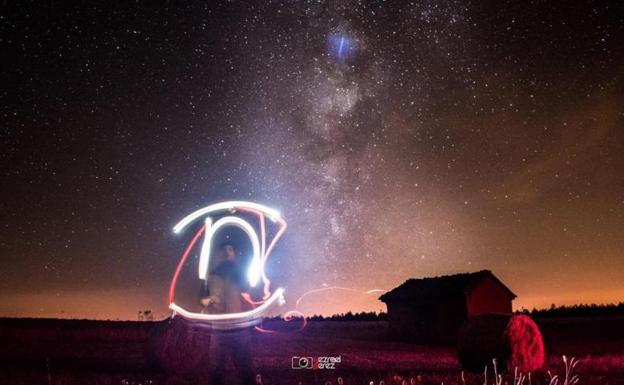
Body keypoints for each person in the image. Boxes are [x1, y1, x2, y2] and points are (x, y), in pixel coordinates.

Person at [200, 241, 256, 385]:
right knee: (215, 371)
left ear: (234, 254)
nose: (227, 251)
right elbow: (202, 298)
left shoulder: (240, 274)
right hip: (218, 329)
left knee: (246, 370)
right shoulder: (211, 276)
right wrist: (208, 301)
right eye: (224, 249)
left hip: (239, 328)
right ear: (220, 254)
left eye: (230, 249)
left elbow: (249, 292)